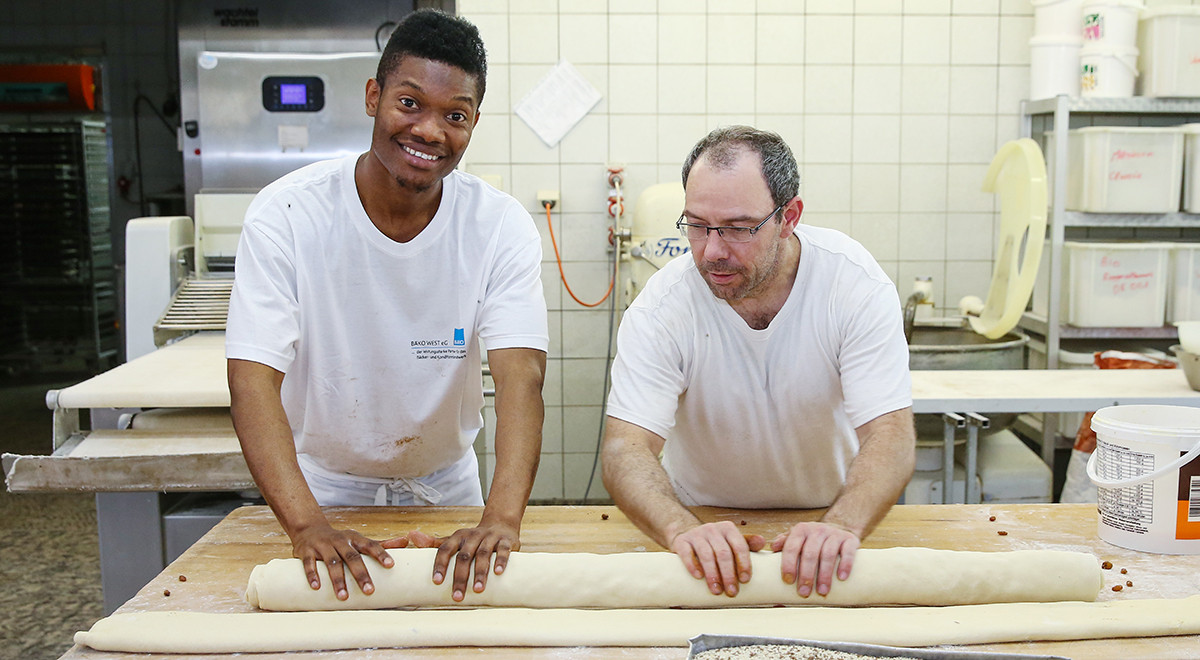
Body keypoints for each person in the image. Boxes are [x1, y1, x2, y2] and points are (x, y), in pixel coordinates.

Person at [225, 9, 547, 605]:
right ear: (374, 97)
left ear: (474, 122)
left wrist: (501, 518)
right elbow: (252, 379)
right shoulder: (289, 216)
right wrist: (306, 525)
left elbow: (520, 377)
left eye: (456, 115)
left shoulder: (498, 227)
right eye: (409, 103)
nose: (430, 131)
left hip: (450, 488)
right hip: (321, 486)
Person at [602, 125, 915, 602]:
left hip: (830, 521)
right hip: (701, 528)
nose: (712, 251)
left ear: (789, 217)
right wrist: (679, 528)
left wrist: (842, 524)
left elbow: (890, 434)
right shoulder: (663, 307)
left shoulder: (851, 284)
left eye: (739, 228)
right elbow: (626, 448)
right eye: (698, 225)